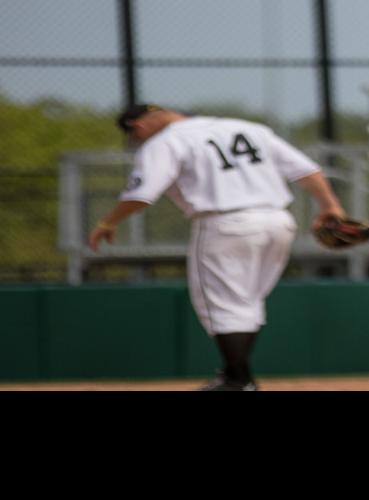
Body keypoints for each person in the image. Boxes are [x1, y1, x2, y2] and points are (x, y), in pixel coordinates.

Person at [88, 104, 345, 391]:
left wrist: (107, 222)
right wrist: (331, 205)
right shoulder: (248, 128)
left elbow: (142, 194)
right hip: (278, 221)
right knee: (246, 302)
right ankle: (236, 376)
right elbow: (305, 169)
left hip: (226, 223)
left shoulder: (167, 141)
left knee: (224, 304)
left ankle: (238, 380)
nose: (138, 139)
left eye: (134, 134)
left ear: (137, 125)